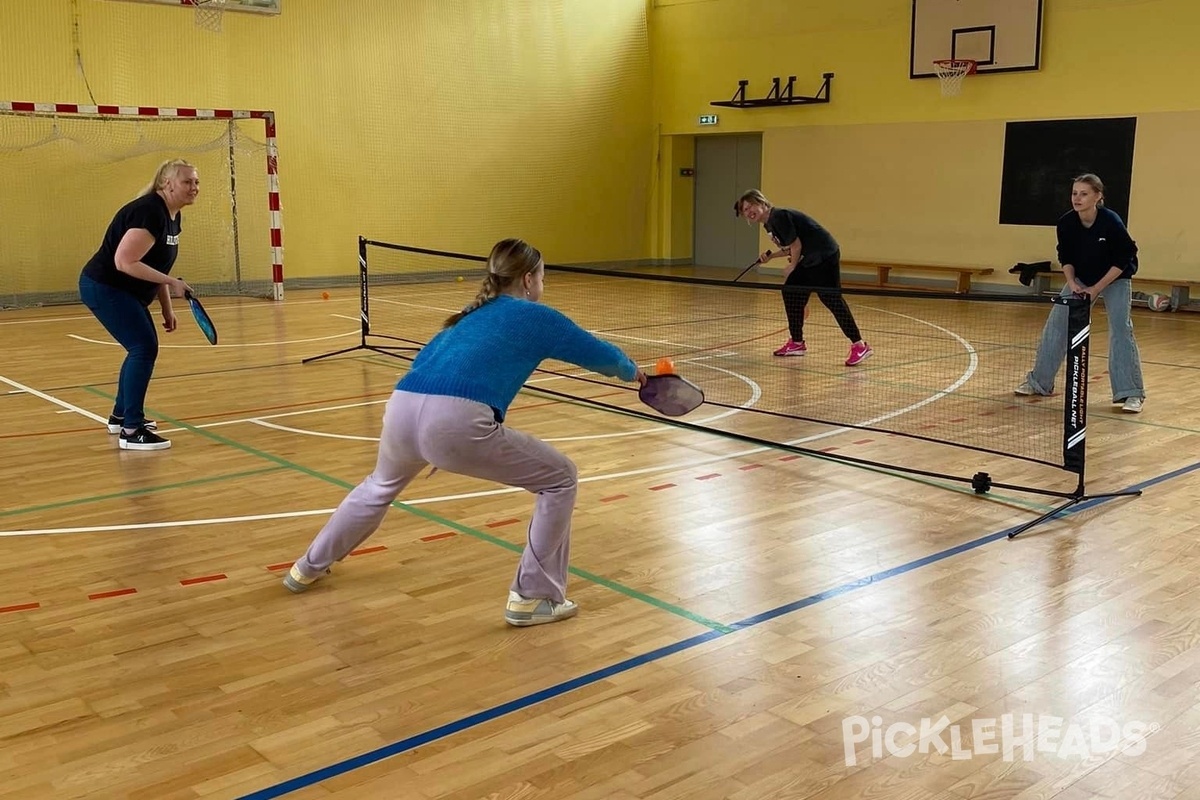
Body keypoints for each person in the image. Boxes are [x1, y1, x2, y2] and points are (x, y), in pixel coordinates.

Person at [283, 238, 646, 627]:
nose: (543, 284)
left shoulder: (467, 316)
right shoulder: (536, 316)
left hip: (403, 406)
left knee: (378, 486)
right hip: (454, 420)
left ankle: (305, 569)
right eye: (542, 277)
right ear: (527, 280)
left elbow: (426, 363)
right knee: (560, 478)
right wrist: (635, 373)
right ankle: (533, 598)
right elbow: (599, 354)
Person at [79, 159, 197, 451]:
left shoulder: (172, 215)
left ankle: (121, 417)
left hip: (125, 291)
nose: (194, 187)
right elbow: (124, 261)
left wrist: (167, 307)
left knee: (142, 347)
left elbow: (157, 264)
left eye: (196, 182)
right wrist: (172, 284)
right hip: (105, 286)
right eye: (187, 182)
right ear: (167, 184)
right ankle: (131, 430)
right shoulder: (149, 212)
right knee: (143, 348)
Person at [1016, 173, 1146, 413]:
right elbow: (1065, 255)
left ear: (1097, 196)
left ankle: (1131, 393)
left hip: (1115, 277)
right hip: (1081, 277)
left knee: (1120, 329)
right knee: (1056, 324)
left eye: (1084, 193)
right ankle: (1039, 383)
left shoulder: (1111, 222)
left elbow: (1124, 256)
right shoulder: (1066, 223)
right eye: (1075, 193)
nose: (1077, 198)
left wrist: (1095, 289)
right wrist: (1072, 283)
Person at [734, 189, 872, 366]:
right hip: (809, 258)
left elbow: (796, 245)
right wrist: (771, 257)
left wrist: (792, 266)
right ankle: (797, 343)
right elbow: (790, 247)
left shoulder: (779, 216)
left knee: (831, 299)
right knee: (791, 291)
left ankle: (860, 345)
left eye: (751, 206)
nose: (748, 212)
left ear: (761, 203)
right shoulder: (769, 224)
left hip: (824, 255)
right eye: (745, 210)